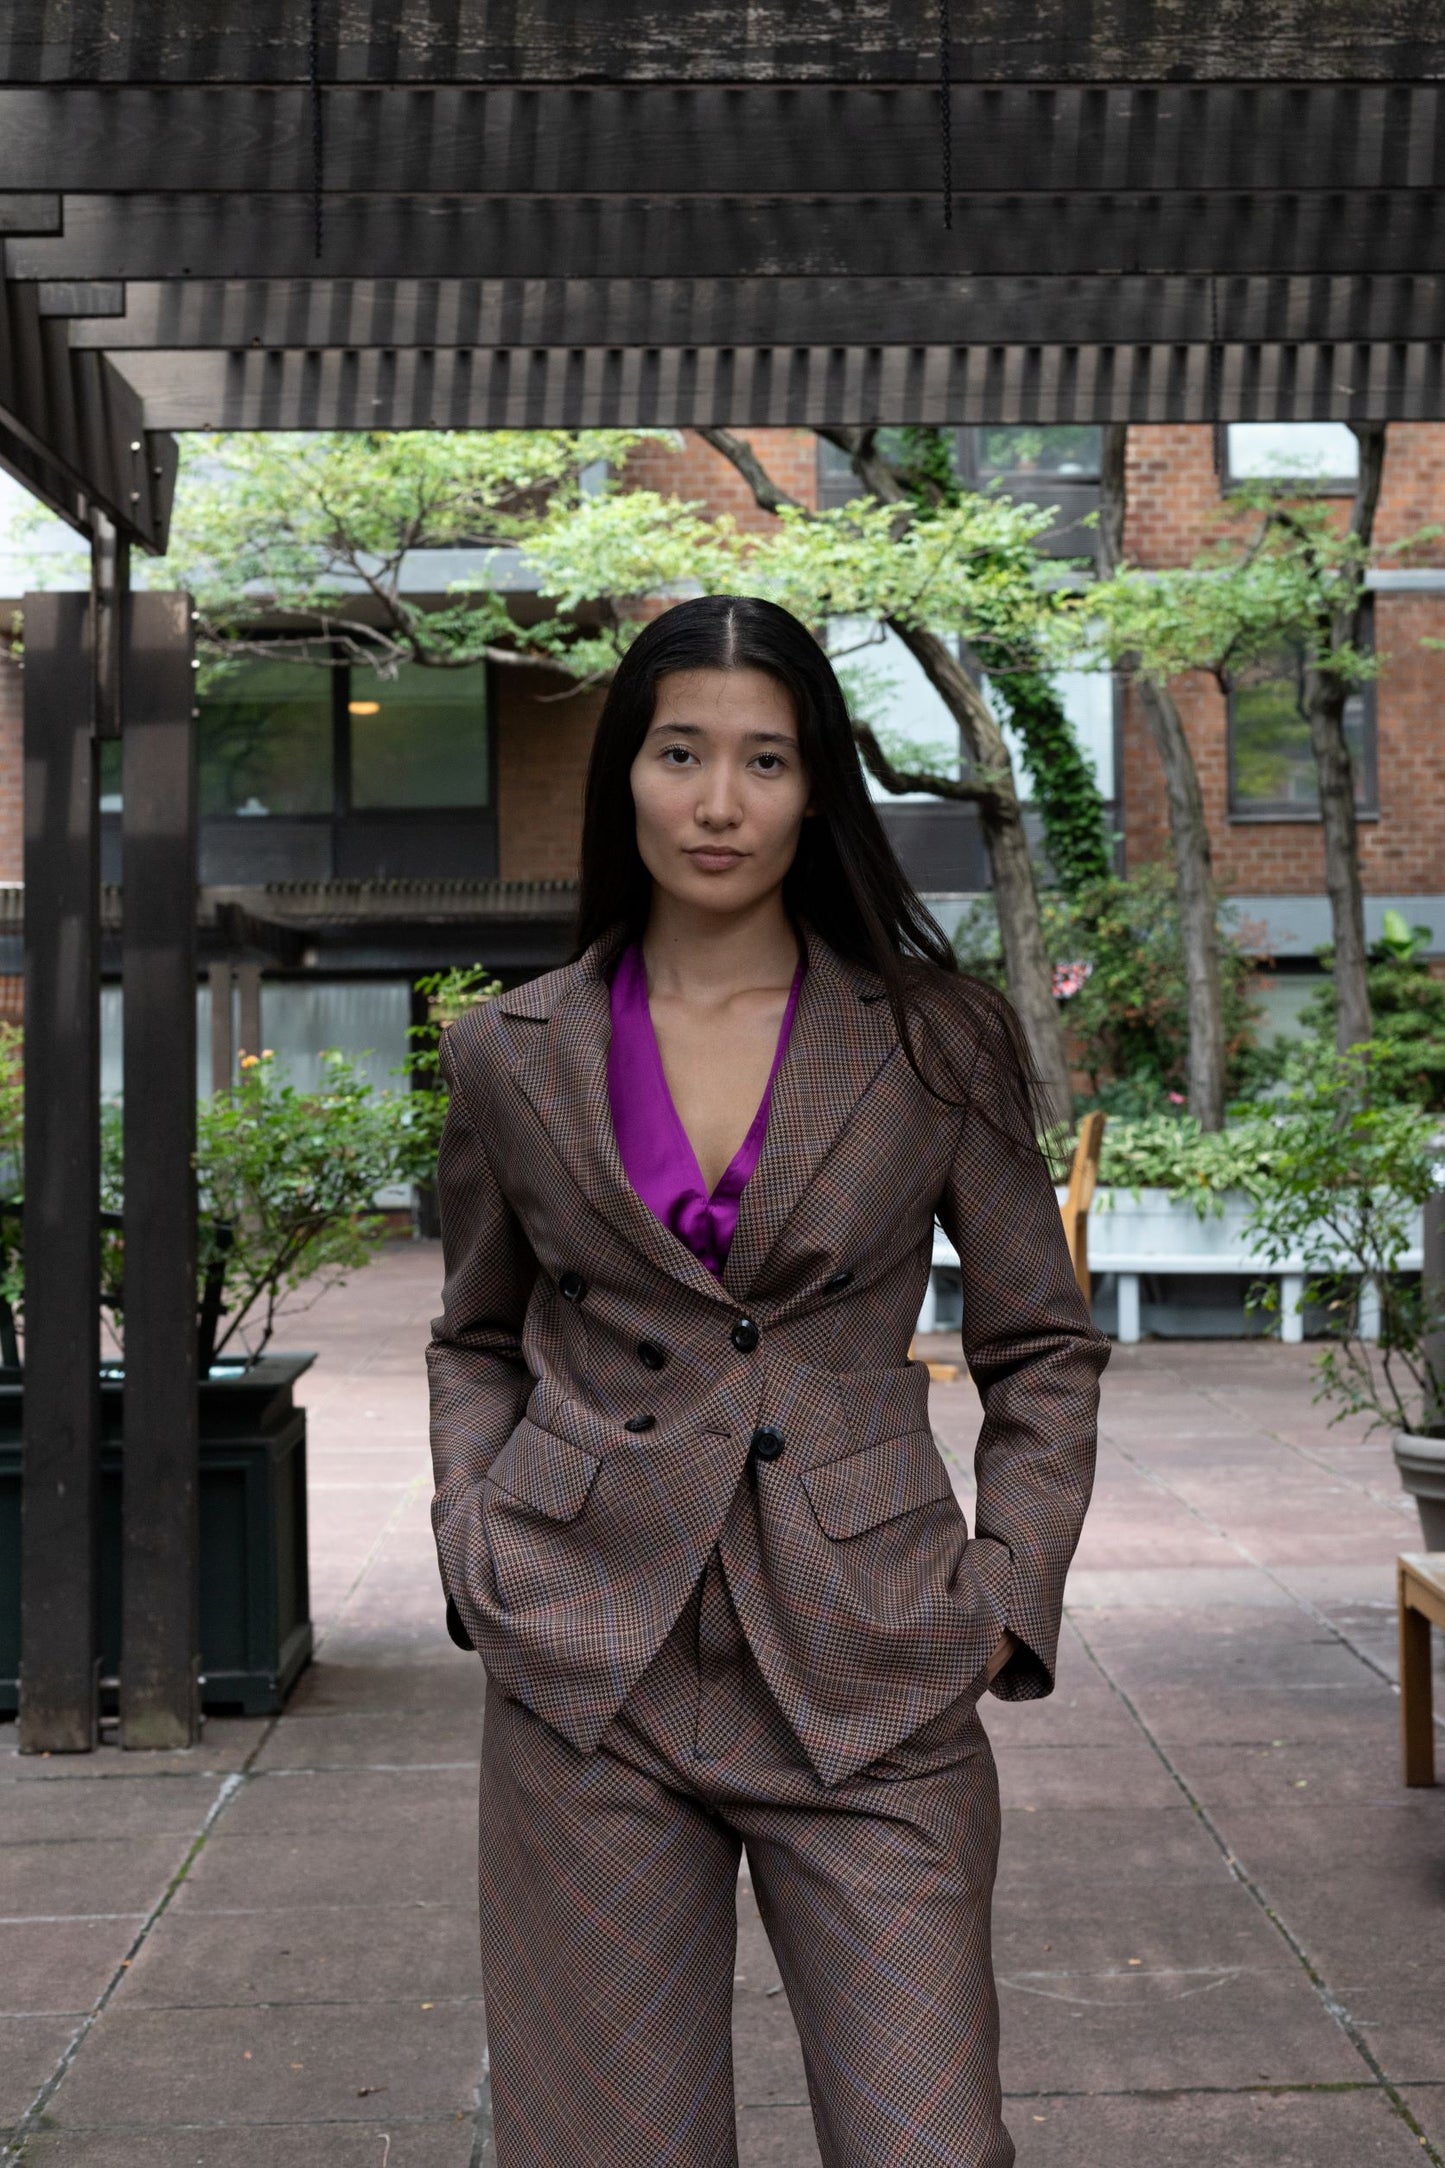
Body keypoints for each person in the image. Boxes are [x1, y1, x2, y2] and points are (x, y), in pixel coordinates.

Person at [427, 594, 1109, 2168]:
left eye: (765, 759)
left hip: (869, 1647)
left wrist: (1007, 1592)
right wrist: (478, 1548)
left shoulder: (936, 1039)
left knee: (926, 2142)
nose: (718, 802)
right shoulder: (507, 1050)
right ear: (626, 774)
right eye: (679, 754)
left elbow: (1038, 1343)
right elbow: (473, 1332)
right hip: (589, 1648)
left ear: (816, 790)